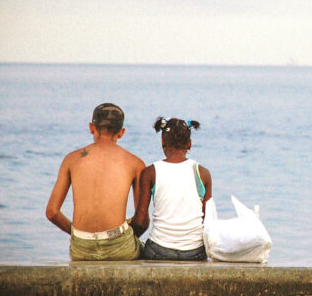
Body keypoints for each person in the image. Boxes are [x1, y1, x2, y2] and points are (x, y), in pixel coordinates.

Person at [45, 103, 146, 261]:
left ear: (92, 127)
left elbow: (52, 212)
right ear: (122, 132)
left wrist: (77, 233)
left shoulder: (71, 159)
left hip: (82, 247)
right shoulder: (135, 163)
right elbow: (142, 220)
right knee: (144, 250)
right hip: (118, 245)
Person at [131, 117, 212, 261]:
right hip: (195, 252)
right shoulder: (202, 173)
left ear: (163, 142)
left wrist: (128, 237)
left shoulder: (150, 172)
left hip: (158, 249)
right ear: (189, 144)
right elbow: (208, 220)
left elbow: (140, 220)